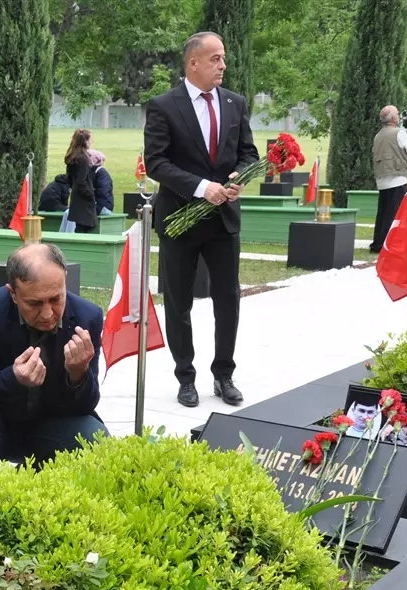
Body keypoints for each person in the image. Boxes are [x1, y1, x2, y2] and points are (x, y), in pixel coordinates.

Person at [143, 31, 258, 409]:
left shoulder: (235, 103)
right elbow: (158, 162)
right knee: (178, 302)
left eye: (223, 59)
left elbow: (247, 153)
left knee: (228, 299)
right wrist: (201, 187)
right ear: (193, 63)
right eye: (216, 59)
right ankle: (185, 377)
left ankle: (224, 374)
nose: (224, 65)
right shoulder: (163, 106)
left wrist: (239, 178)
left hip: (224, 219)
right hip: (179, 217)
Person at [0, 243, 107, 466]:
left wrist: (78, 375)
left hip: (51, 424)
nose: (47, 314)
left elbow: (86, 405)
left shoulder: (87, 317)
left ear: (64, 281)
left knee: (94, 437)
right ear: (13, 294)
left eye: (56, 299)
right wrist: (11, 379)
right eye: (34, 303)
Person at [371, 106, 407, 253]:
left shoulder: (378, 135)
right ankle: (390, 244)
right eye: (398, 114)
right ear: (393, 118)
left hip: (382, 178)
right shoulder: (399, 133)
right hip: (398, 177)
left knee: (382, 213)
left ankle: (378, 243)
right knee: (395, 214)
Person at [65, 129, 98, 233]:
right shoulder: (83, 158)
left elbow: (69, 178)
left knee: (80, 226)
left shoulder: (73, 157)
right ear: (85, 141)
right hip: (84, 197)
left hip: (76, 195)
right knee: (88, 227)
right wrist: (90, 194)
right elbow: (81, 180)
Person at [90, 149, 114, 215]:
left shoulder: (102, 173)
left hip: (103, 207)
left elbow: (103, 193)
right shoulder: (93, 172)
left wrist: (96, 208)